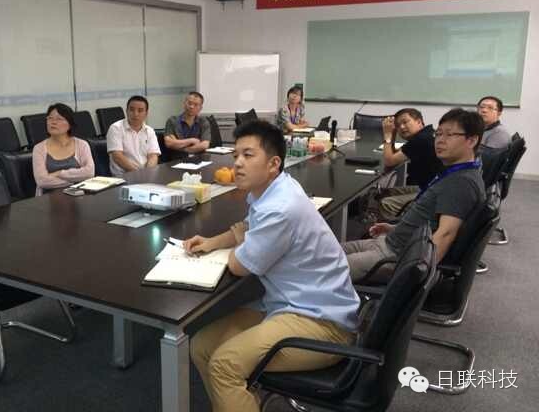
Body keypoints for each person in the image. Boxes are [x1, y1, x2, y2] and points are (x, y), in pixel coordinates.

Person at [185, 120, 359, 412]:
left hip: (323, 324)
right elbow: (245, 228)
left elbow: (239, 266)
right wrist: (212, 242)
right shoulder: (274, 189)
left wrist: (241, 243)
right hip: (291, 304)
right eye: (235, 155)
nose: (237, 163)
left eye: (248, 155)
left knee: (224, 365)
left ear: (273, 163)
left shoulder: (280, 207)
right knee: (201, 345)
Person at [343, 108, 486, 283]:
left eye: (449, 135)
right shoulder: (456, 172)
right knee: (323, 252)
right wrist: (395, 228)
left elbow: (445, 235)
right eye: (439, 134)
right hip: (391, 241)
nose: (440, 140)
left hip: (393, 257)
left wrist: (413, 283)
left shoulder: (461, 183)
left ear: (471, 140)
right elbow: (431, 221)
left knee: (321, 270)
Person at [377, 108, 443, 220]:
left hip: (434, 195)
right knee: (385, 193)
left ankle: (397, 229)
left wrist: (387, 136)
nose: (402, 127)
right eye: (398, 126)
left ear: (419, 121)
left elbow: (389, 161)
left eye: (405, 122)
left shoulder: (420, 140)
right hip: (434, 187)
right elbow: (394, 155)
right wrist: (392, 134)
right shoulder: (427, 133)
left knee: (386, 203)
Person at [32, 103, 95, 196]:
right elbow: (42, 181)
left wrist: (59, 173)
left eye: (59, 119)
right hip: (48, 198)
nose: (53, 122)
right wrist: (77, 179)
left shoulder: (82, 145)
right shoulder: (39, 148)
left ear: (70, 124)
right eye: (50, 118)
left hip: (80, 196)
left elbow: (89, 173)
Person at [106, 95, 160, 176]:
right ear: (126, 111)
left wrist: (148, 173)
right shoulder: (116, 128)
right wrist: (139, 174)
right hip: (123, 176)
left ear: (146, 113)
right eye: (131, 110)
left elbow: (153, 156)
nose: (135, 114)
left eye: (140, 110)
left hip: (146, 174)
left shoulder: (149, 131)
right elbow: (117, 156)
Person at [164, 91, 211, 160]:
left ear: (200, 108)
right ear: (184, 103)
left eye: (196, 104)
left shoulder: (203, 122)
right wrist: (192, 140)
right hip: (178, 160)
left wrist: (182, 148)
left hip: (199, 160)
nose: (191, 107)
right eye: (189, 103)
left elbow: (204, 145)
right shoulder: (172, 121)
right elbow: (169, 143)